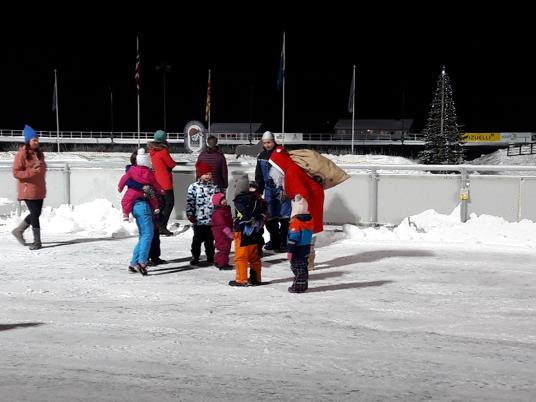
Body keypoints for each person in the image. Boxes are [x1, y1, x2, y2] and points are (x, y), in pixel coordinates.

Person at [269, 146, 324, 270]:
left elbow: (301, 195)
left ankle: (307, 261)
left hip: (308, 205)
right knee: (308, 231)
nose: (272, 173)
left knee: (306, 231)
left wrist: (299, 216)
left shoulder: (291, 172)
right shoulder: (291, 169)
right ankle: (307, 260)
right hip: (311, 201)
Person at [123, 151, 167, 268]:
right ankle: (142, 261)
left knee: (145, 235)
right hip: (142, 205)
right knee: (148, 234)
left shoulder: (138, 172)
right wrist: (145, 187)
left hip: (145, 206)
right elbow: (130, 184)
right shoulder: (137, 173)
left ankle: (134, 262)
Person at [11, 125, 47, 250]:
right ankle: (37, 242)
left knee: (36, 213)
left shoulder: (39, 153)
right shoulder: (21, 154)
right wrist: (31, 172)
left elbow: (41, 170)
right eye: (34, 140)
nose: (36, 142)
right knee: (35, 214)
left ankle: (18, 231)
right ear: (28, 141)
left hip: (39, 188)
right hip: (28, 189)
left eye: (37, 140)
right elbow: (16, 172)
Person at [254, 131, 290, 252]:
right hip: (268, 189)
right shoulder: (261, 156)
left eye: (269, 142)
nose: (267, 145)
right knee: (269, 216)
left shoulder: (282, 153)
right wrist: (258, 190)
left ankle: (285, 241)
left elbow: (288, 172)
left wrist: (287, 188)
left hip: (282, 189)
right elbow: (259, 175)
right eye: (264, 143)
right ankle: (275, 240)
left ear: (273, 141)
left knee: (284, 217)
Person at [229, 175, 266, 287]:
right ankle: (256, 279)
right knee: (254, 257)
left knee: (241, 257)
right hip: (255, 231)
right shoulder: (257, 199)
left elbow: (244, 214)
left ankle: (241, 279)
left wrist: (247, 219)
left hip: (242, 231)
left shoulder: (239, 200)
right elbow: (263, 213)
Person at [186, 161, 219, 265]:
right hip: (198, 220)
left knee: (210, 241)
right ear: (200, 174)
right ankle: (195, 256)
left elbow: (218, 201)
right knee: (197, 240)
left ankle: (210, 256)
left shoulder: (215, 187)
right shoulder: (194, 187)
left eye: (210, 174)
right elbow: (190, 201)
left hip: (211, 219)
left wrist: (218, 215)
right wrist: (190, 214)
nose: (208, 176)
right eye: (206, 174)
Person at [117, 148, 162, 220]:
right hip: (146, 191)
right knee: (153, 197)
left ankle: (125, 214)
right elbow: (154, 182)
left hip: (133, 192)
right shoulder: (149, 172)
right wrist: (160, 189)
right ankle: (156, 208)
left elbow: (124, 179)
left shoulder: (132, 170)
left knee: (126, 200)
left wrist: (120, 187)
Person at [148, 130, 176, 236]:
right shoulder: (163, 151)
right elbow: (171, 164)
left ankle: (158, 224)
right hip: (165, 181)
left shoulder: (152, 151)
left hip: (156, 180)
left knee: (162, 204)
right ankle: (162, 226)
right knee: (169, 203)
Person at [287, 195, 314, 293]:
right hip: (305, 247)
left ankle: (299, 286)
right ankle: (303, 284)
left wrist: (290, 250)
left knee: (297, 267)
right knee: (303, 266)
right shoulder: (310, 220)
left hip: (297, 248)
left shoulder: (296, 222)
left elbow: (294, 237)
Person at [210, 193, 234, 270]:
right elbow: (222, 225)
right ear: (217, 202)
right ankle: (222, 264)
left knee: (224, 248)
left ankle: (218, 261)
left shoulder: (225, 209)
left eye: (224, 199)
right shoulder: (218, 213)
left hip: (226, 232)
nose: (224, 201)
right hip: (221, 234)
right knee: (224, 248)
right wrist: (229, 233)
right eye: (222, 200)